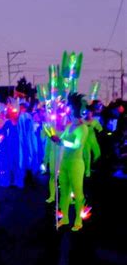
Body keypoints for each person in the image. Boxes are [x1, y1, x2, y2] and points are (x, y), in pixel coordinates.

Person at [50, 93, 88, 231]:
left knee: (78, 193)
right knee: (64, 191)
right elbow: (61, 140)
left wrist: (61, 141)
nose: (67, 110)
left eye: (70, 108)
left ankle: (78, 220)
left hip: (76, 164)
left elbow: (77, 145)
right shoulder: (69, 126)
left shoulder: (83, 128)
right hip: (65, 162)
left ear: (75, 110)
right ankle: (65, 218)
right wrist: (54, 136)